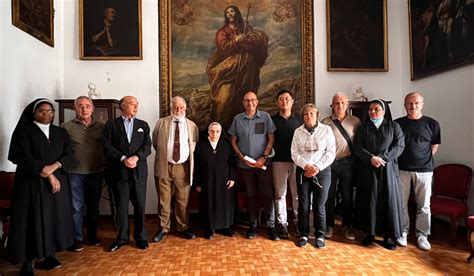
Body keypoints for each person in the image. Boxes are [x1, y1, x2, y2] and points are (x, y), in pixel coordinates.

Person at [8, 98, 75, 274]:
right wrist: (47, 173)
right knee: (31, 220)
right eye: (42, 111)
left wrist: (54, 168)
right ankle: (27, 261)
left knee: (53, 219)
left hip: (56, 186)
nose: (47, 114)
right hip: (31, 185)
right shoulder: (24, 131)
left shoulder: (60, 132)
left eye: (50, 111)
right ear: (34, 113)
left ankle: (49, 255)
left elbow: (69, 153)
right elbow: (21, 156)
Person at [353, 99, 405, 250]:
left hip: (387, 170)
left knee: (388, 201)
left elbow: (399, 145)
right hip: (368, 170)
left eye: (376, 109)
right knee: (370, 200)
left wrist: (382, 158)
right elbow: (357, 146)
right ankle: (370, 233)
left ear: (384, 110)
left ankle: (389, 237)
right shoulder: (363, 128)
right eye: (370, 109)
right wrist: (371, 158)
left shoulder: (394, 126)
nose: (373, 112)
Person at [207, 5, 269, 129]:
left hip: (246, 70)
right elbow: (223, 49)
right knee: (224, 100)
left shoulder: (246, 27)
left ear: (237, 13)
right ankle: (220, 129)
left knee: (243, 99)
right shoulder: (222, 32)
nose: (230, 14)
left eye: (232, 11)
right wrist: (236, 41)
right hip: (228, 70)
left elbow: (255, 45)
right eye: (227, 12)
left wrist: (245, 40)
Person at [103, 96, 151, 252]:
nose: (136, 107)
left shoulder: (143, 125)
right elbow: (106, 146)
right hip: (119, 173)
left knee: (140, 206)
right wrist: (123, 158)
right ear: (122, 106)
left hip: (139, 172)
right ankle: (122, 238)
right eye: (132, 104)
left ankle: (140, 237)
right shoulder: (111, 125)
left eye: (137, 104)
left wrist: (136, 157)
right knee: (121, 207)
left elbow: (147, 146)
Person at [228, 91, 277, 240]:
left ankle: (271, 226)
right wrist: (242, 158)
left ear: (257, 102)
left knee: (268, 195)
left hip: (263, 165)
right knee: (250, 196)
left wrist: (264, 157)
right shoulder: (237, 119)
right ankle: (252, 225)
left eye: (253, 100)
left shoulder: (265, 117)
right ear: (243, 103)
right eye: (247, 100)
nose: (250, 103)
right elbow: (233, 140)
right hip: (246, 166)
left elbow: (271, 138)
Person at [395, 92, 441, 251]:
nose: (413, 106)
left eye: (416, 103)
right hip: (401, 170)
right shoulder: (397, 124)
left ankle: (422, 235)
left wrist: (422, 160)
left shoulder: (432, 124)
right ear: (404, 105)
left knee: (424, 205)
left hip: (425, 171)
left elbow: (434, 146)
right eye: (409, 103)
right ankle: (403, 231)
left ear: (422, 104)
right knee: (401, 204)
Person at [152, 96, 199, 242]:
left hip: (182, 168)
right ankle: (163, 228)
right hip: (164, 166)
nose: (178, 110)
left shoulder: (192, 126)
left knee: (182, 200)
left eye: (181, 108)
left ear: (185, 109)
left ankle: (182, 227)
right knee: (163, 200)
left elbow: (194, 146)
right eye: (175, 108)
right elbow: (155, 142)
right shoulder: (161, 123)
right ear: (171, 109)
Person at [61, 96, 104, 251]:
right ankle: (77, 238)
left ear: (92, 108)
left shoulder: (102, 126)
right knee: (76, 207)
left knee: (93, 207)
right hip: (74, 173)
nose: (84, 109)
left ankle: (92, 236)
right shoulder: (65, 127)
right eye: (80, 106)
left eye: (87, 106)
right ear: (75, 109)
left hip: (96, 171)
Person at [291, 104, 336, 249]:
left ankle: (320, 235)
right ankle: (304, 234)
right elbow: (294, 153)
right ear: (302, 116)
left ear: (317, 115)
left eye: (312, 113)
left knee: (319, 205)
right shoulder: (298, 132)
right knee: (303, 205)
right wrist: (306, 166)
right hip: (303, 171)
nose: (309, 116)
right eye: (306, 114)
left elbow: (330, 152)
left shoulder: (326, 130)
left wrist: (317, 167)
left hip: (322, 172)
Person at [321, 93, 361, 240]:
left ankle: (347, 226)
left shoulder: (355, 121)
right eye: (337, 103)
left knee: (347, 196)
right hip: (329, 163)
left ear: (348, 105)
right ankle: (329, 225)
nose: (340, 106)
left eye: (343, 102)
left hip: (348, 163)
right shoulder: (325, 122)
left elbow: (360, 142)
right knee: (329, 195)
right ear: (332, 105)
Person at [194, 122, 236, 239]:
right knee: (208, 204)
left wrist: (232, 177)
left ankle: (224, 227)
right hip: (207, 182)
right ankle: (209, 229)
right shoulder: (201, 145)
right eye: (212, 131)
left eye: (217, 131)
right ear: (208, 132)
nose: (215, 134)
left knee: (224, 204)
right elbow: (196, 165)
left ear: (220, 132)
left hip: (224, 182)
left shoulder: (225, 144)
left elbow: (232, 162)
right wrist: (197, 182)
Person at [271, 90, 302, 238]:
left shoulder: (299, 120)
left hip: (297, 162)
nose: (284, 101)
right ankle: (282, 223)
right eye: (281, 99)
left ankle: (298, 222)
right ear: (277, 102)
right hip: (278, 162)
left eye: (287, 99)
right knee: (280, 194)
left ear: (292, 101)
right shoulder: (272, 120)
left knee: (297, 194)